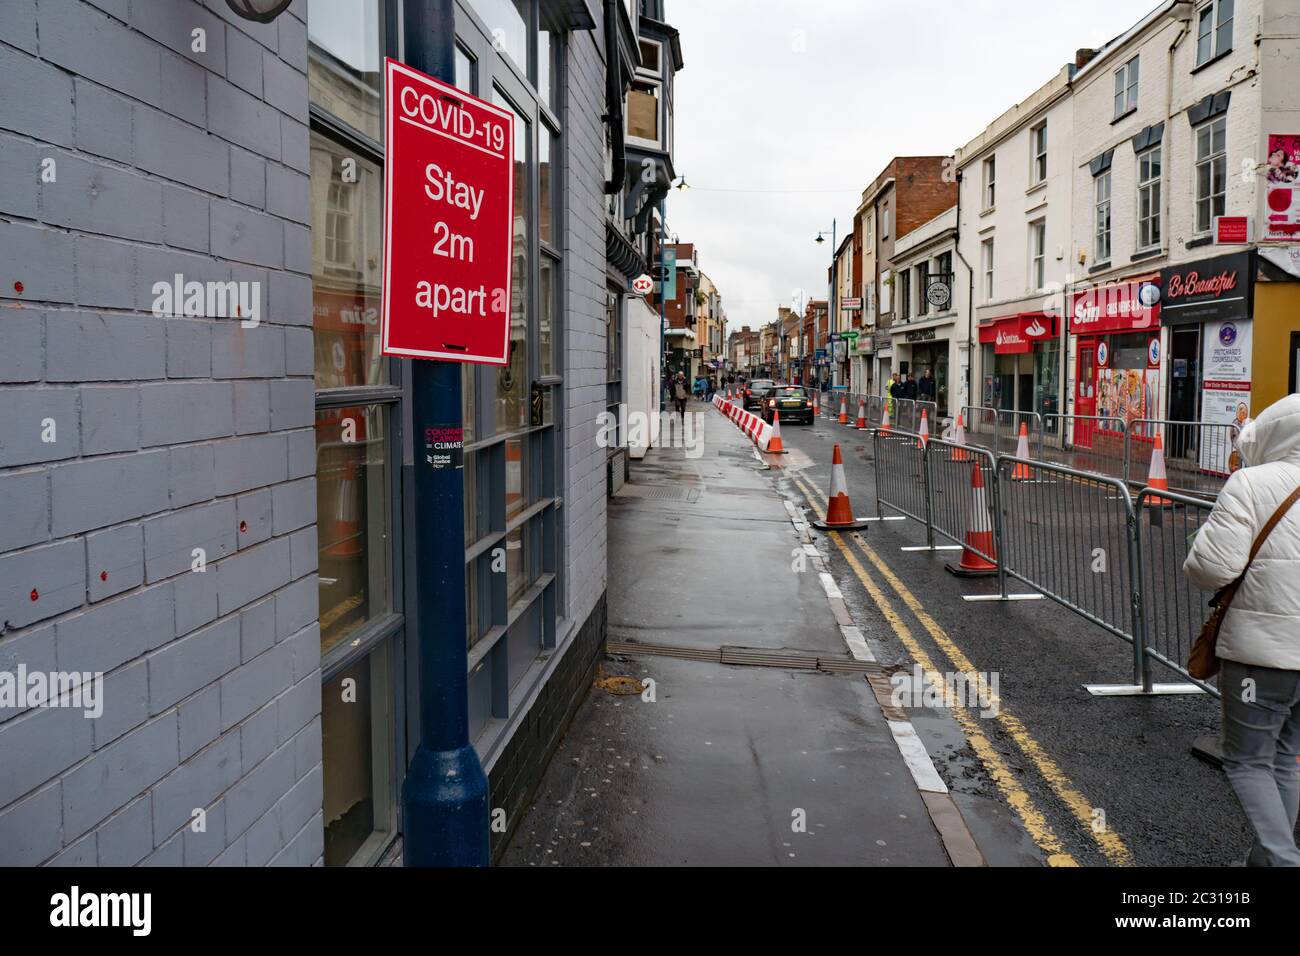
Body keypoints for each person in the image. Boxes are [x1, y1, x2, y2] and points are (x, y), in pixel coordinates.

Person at [1184, 394, 1300, 867]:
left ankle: (1281, 859)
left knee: (1249, 761)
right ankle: (1267, 861)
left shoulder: (1251, 484)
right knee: (1285, 757)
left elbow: (1212, 568)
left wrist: (1197, 551)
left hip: (1260, 655)